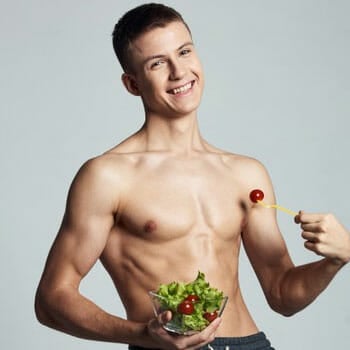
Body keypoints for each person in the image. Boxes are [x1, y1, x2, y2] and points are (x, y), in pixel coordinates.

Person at [35, 3, 350, 350]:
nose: (178, 71)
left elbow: (282, 294)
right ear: (132, 84)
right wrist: (141, 335)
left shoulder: (246, 174)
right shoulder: (107, 176)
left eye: (184, 52)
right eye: (157, 63)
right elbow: (51, 299)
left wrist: (335, 260)